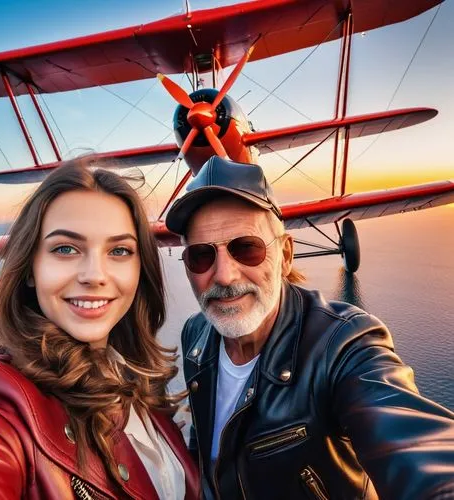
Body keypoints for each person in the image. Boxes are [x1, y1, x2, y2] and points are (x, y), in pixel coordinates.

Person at [165, 155, 454, 500]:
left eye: (247, 248)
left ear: (286, 256)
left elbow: (416, 446)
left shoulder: (344, 344)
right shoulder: (196, 333)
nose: (224, 275)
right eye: (201, 255)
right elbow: (204, 436)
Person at [0, 158, 200, 500]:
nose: (95, 275)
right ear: (29, 268)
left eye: (119, 250)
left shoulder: (136, 382)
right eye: (65, 249)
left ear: (139, 269)